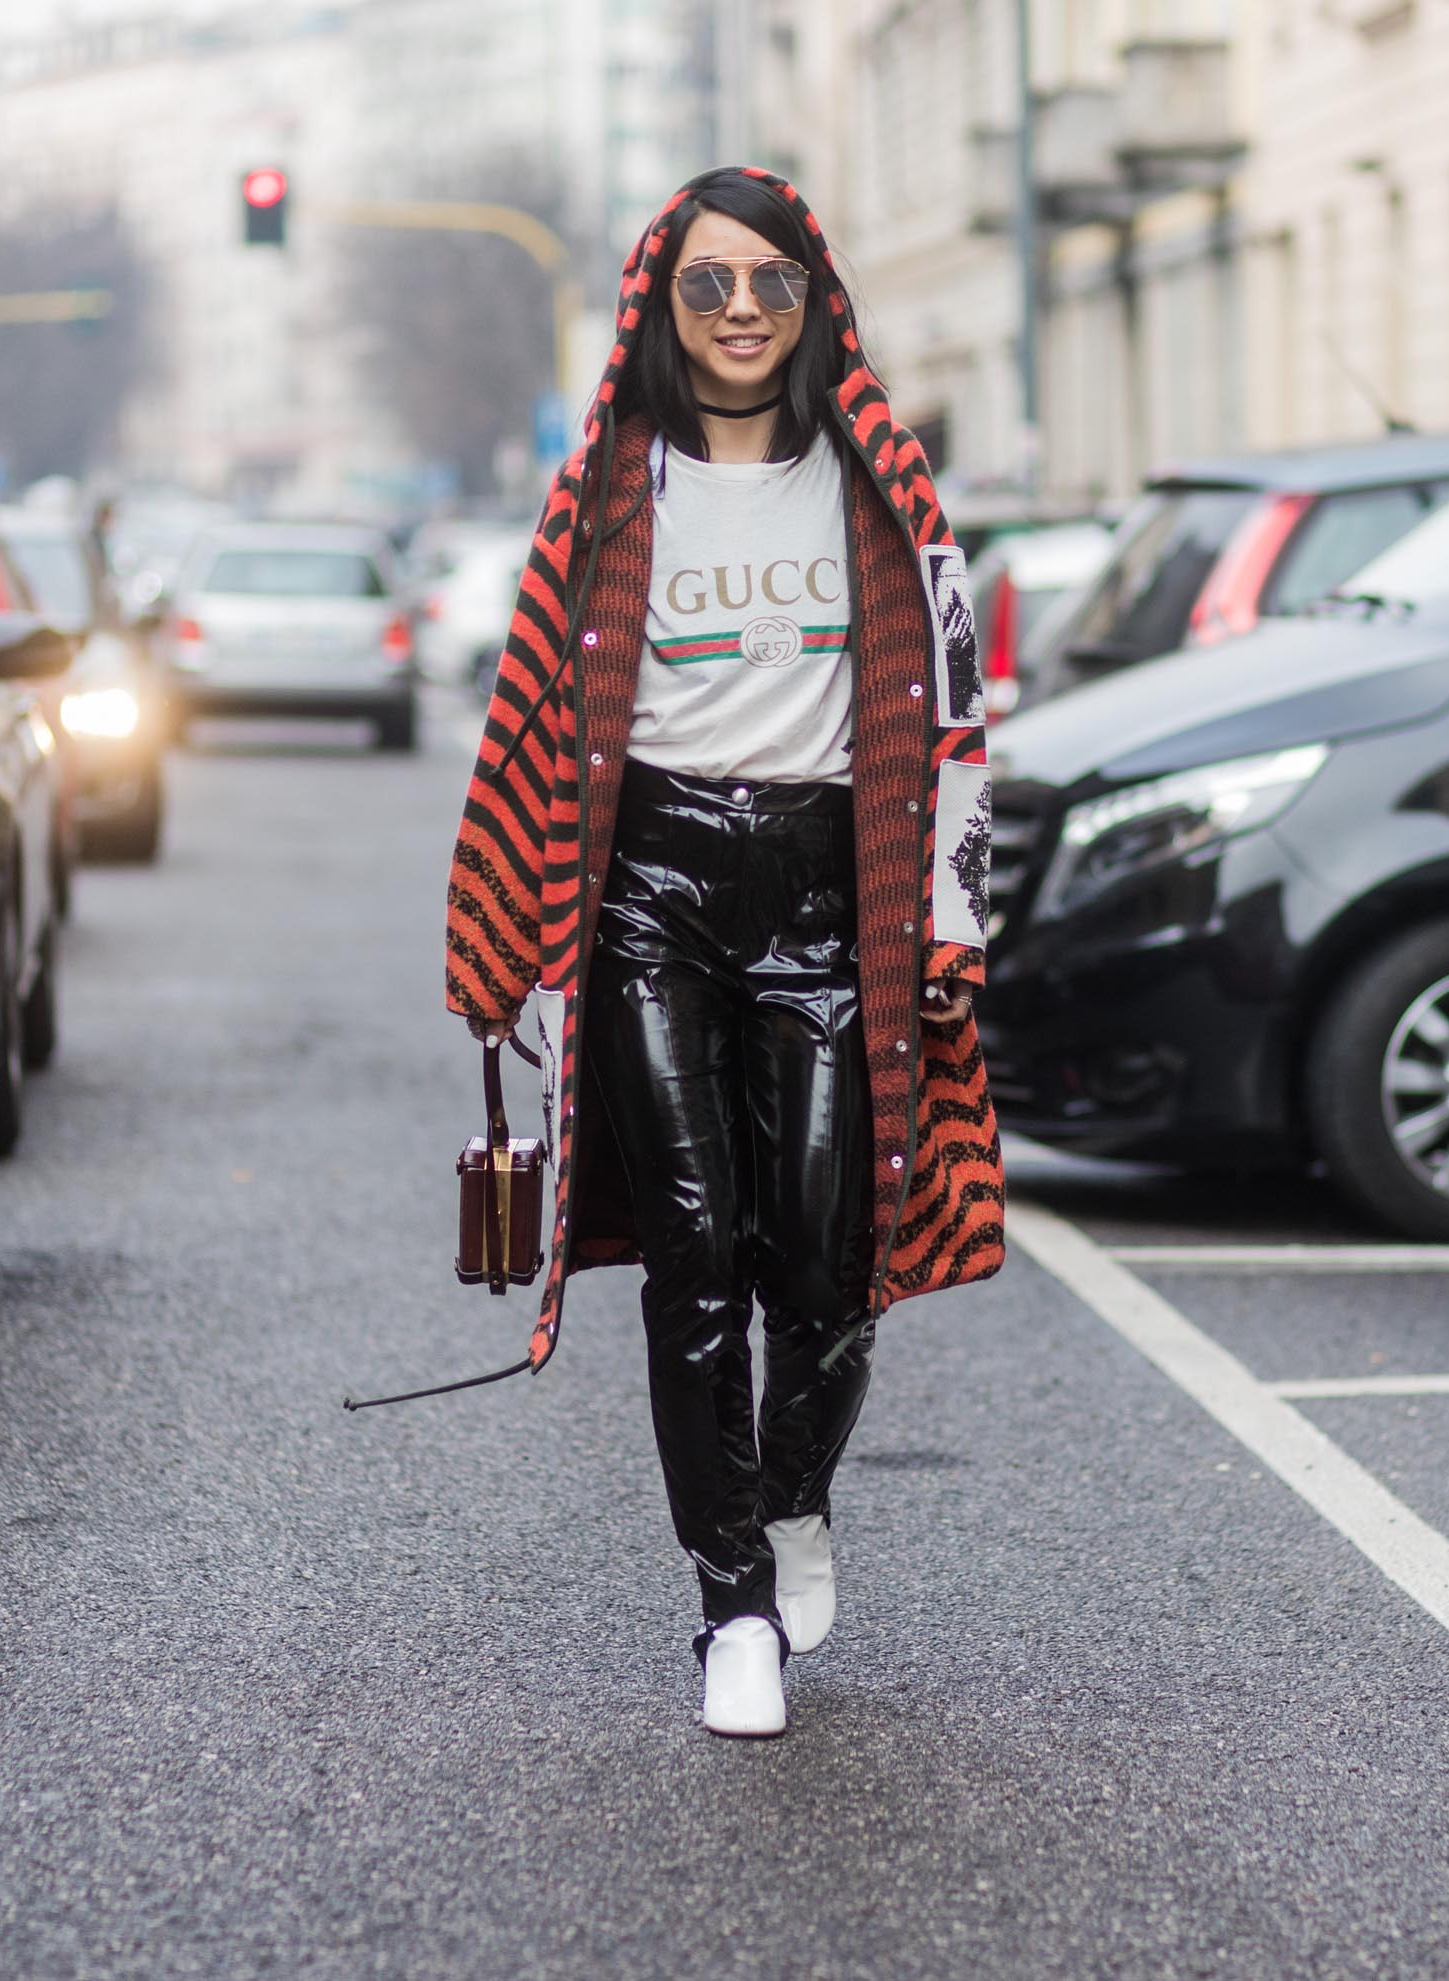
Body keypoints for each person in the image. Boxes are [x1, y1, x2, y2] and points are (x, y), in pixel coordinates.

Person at [441, 167, 1005, 1738]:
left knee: (827, 1255)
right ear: (663, 308)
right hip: (651, 897)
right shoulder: (611, 485)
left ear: (814, 301)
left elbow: (958, 716)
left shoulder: (878, 486)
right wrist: (502, 926)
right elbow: (532, 715)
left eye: (768, 281)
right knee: (694, 1243)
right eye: (708, 284)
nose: (741, 308)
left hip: (834, 893)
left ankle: (794, 1493)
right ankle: (731, 1604)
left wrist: (953, 921)